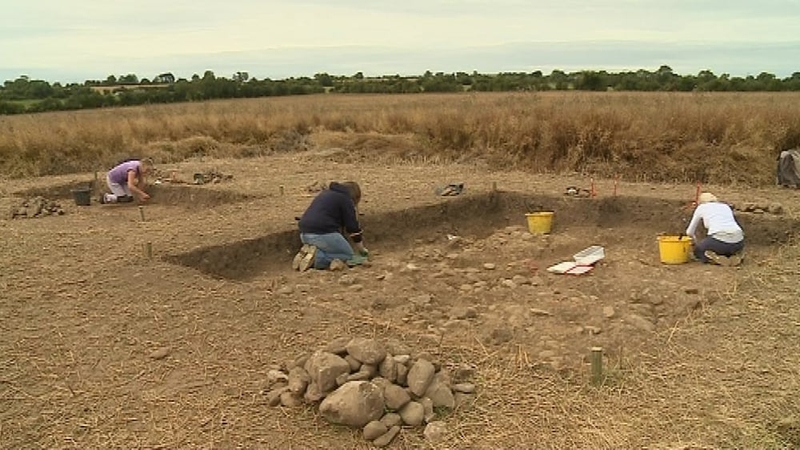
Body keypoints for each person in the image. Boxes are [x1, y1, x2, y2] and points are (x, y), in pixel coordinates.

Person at [293, 181, 369, 271]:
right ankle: (318, 258)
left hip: (304, 234)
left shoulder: (326, 194)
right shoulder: (345, 200)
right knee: (348, 255)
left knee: (331, 250)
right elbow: (353, 228)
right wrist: (362, 249)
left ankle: (307, 253)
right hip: (323, 234)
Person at [685, 192, 745, 266]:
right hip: (739, 241)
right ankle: (735, 256)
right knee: (725, 247)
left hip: (719, 241)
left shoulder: (701, 207)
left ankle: (715, 259)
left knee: (698, 251)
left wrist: (695, 242)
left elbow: (689, 232)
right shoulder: (725, 206)